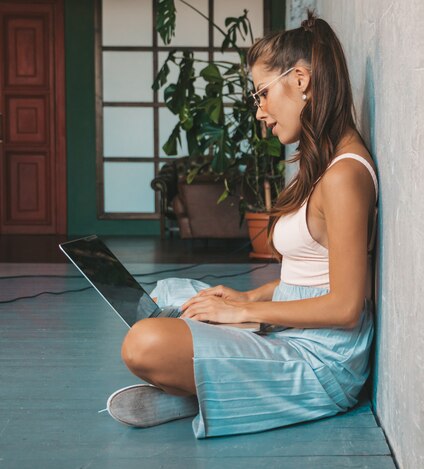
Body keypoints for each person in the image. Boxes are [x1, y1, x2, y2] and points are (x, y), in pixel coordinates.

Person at [106, 10, 379, 439]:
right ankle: (224, 388)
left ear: (301, 81)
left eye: (262, 93)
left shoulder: (345, 176)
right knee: (171, 294)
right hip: (292, 332)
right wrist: (246, 294)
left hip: (321, 363)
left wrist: (245, 312)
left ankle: (213, 392)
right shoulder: (324, 165)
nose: (260, 111)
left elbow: (345, 307)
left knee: (145, 343)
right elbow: (309, 278)